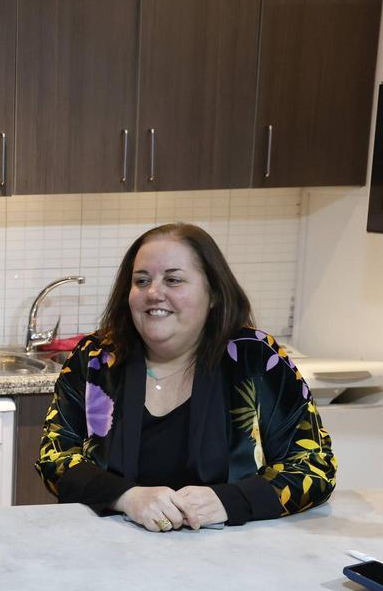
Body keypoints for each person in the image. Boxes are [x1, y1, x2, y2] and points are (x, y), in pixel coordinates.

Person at [37, 222, 335, 531]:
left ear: (214, 294)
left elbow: (315, 468)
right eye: (141, 280)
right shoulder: (96, 357)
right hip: (112, 549)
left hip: (235, 556)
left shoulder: (256, 357)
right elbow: (54, 458)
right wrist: (126, 496)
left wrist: (228, 500)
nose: (153, 292)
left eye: (173, 280)